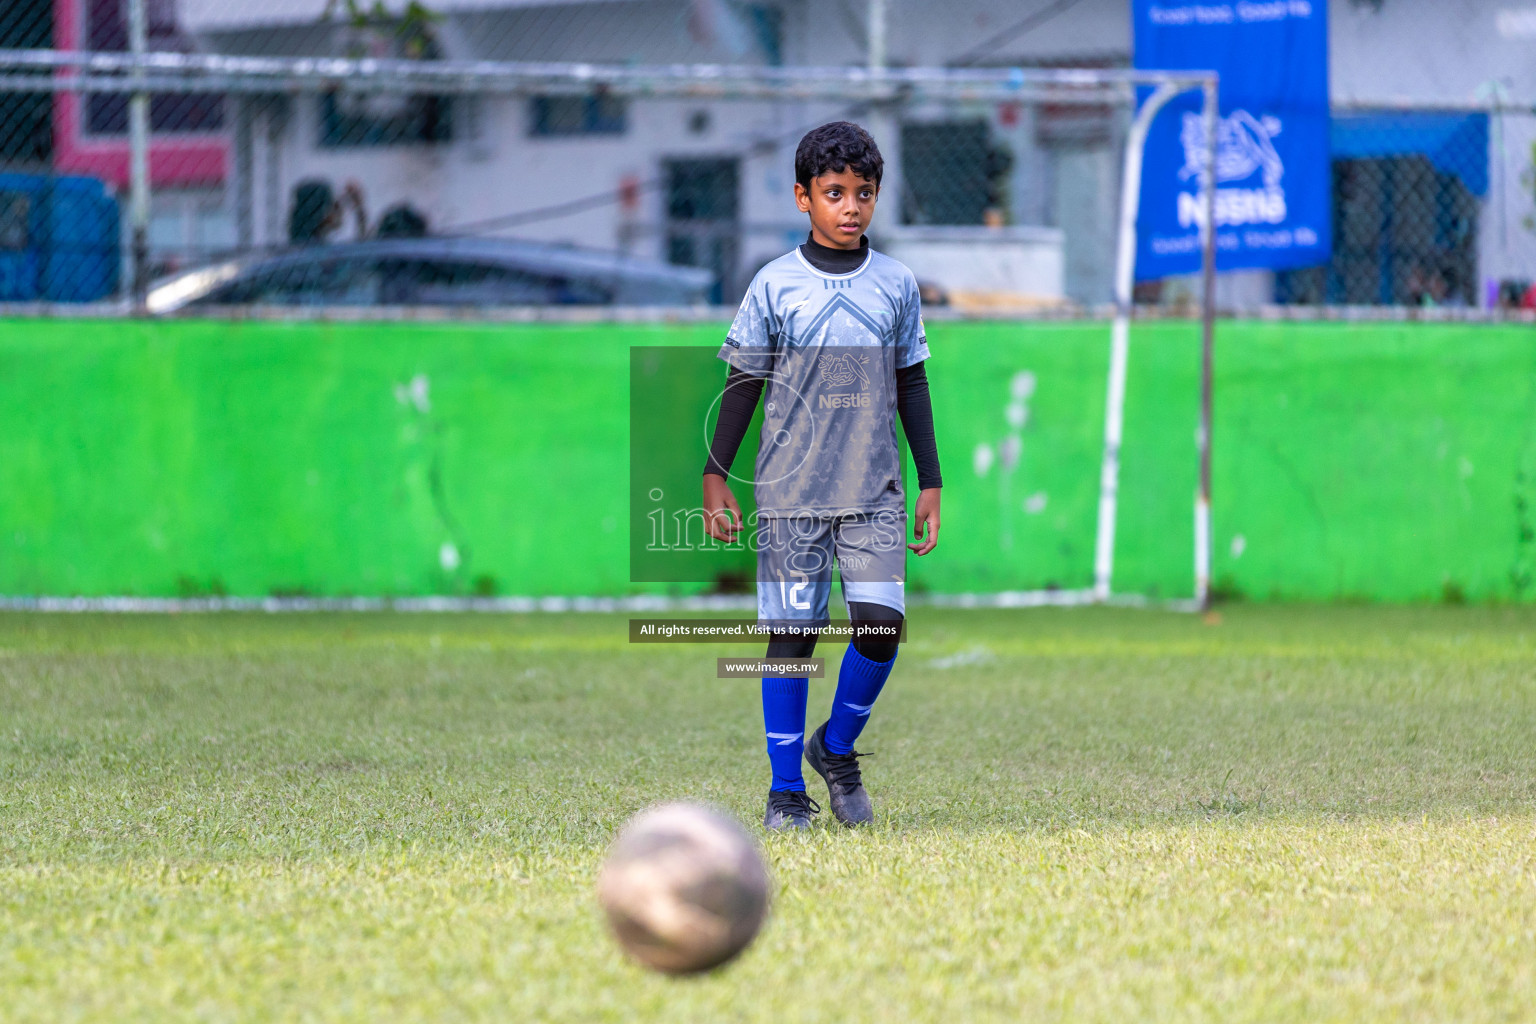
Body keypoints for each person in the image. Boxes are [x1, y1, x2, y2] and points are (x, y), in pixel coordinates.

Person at [701, 121, 943, 831]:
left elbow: (913, 383)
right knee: (793, 639)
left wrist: (931, 478)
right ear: (804, 198)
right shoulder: (775, 285)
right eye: (834, 193)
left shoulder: (896, 284)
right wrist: (715, 473)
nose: (851, 207)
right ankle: (785, 792)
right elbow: (743, 382)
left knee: (880, 627)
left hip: (875, 492)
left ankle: (834, 748)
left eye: (863, 193)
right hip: (790, 493)